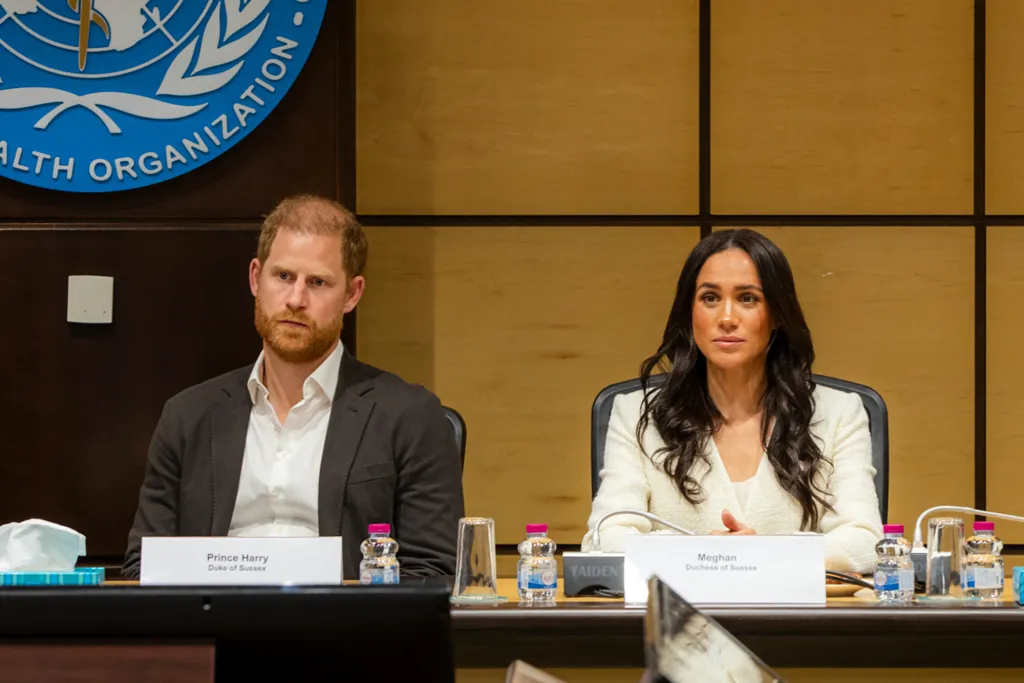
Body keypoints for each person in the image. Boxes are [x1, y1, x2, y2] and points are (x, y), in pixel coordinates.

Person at [123, 195, 464, 579]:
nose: (296, 300)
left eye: (318, 282)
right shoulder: (188, 416)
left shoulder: (411, 416)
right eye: (283, 276)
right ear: (256, 278)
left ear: (352, 294)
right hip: (215, 629)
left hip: (344, 631)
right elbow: (144, 566)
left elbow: (432, 572)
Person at [582, 229, 882, 573]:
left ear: (777, 316)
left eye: (747, 298)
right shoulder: (636, 413)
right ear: (689, 313)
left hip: (794, 623)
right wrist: (709, 556)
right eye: (709, 298)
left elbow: (865, 542)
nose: (726, 317)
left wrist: (757, 555)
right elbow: (607, 535)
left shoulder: (840, 413)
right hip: (677, 622)